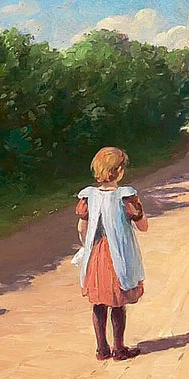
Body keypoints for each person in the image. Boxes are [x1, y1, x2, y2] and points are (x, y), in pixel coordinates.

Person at [75, 147, 148, 361]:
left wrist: (86, 247)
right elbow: (143, 227)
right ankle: (119, 348)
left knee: (99, 303)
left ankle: (102, 349)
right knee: (118, 302)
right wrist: (139, 213)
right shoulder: (126, 197)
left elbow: (82, 227)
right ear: (120, 171)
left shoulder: (88, 197)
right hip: (118, 257)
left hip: (96, 255)